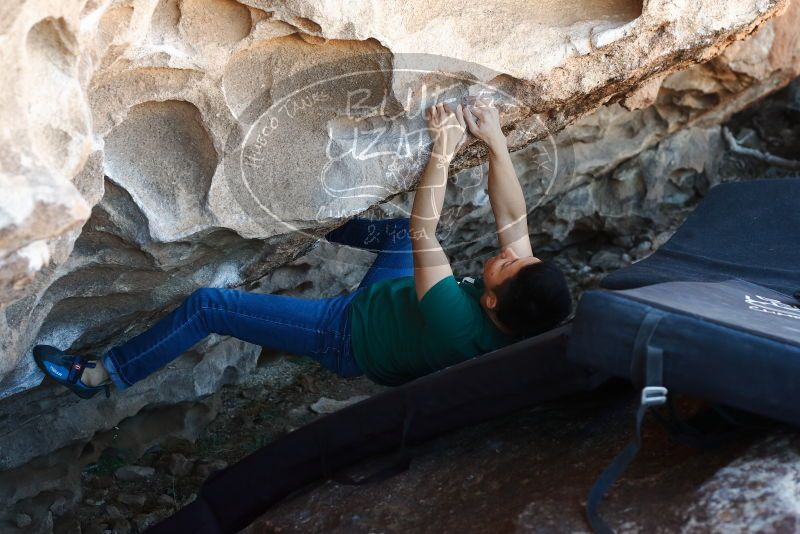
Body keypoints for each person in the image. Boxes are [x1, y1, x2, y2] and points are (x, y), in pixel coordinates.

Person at [33, 98, 572, 399]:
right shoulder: (516, 308)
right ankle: (298, 219)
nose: (510, 253)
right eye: (522, 257)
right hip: (397, 304)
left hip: (349, 336)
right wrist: (497, 142)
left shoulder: (460, 322)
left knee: (209, 307)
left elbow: (423, 231)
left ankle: (102, 375)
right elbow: (513, 220)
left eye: (508, 266)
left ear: (493, 303)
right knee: (384, 236)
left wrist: (444, 150)